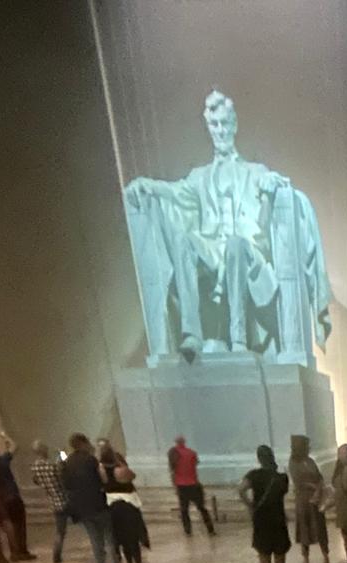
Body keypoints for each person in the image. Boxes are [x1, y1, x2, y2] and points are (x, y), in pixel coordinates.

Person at [123, 89, 331, 364]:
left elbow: (272, 181)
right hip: (212, 251)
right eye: (214, 125)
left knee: (234, 243)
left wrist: (271, 185)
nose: (220, 130)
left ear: (234, 125)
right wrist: (149, 186)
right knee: (185, 240)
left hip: (246, 254)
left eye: (224, 123)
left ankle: (239, 339)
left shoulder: (255, 172)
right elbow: (175, 191)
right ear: (208, 128)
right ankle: (192, 334)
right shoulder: (199, 177)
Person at [240, 444, 291, 563]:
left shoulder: (253, 475)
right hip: (278, 523)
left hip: (261, 524)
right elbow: (282, 494)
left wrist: (250, 505)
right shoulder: (281, 478)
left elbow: (241, 489)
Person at [59, 433, 113, 563]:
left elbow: (66, 484)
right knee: (109, 535)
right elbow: (103, 479)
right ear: (83, 443)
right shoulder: (91, 459)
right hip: (97, 502)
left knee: (94, 538)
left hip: (82, 507)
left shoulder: (68, 462)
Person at [99, 442, 150, 563]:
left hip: (112, 506)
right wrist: (121, 463)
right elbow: (132, 476)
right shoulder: (120, 470)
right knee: (133, 536)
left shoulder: (102, 471)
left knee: (122, 537)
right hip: (127, 505)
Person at [0, 434, 33, 560]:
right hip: (12, 495)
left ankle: (14, 552)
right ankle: (22, 551)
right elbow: (15, 446)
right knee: (19, 525)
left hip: (0, 498)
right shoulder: (2, 460)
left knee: (8, 526)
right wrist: (5, 436)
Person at [288, 434, 329, 563]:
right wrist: (313, 486)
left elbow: (319, 477)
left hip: (316, 499)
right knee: (304, 529)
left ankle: (326, 556)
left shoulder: (311, 461)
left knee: (320, 528)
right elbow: (298, 481)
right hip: (303, 500)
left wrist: (318, 490)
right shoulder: (293, 463)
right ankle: (305, 559)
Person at [168, 434, 215, 538]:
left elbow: (172, 470)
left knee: (184, 509)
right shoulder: (192, 452)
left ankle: (188, 531)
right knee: (202, 508)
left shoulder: (173, 452)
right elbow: (195, 463)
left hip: (182, 485)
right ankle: (210, 529)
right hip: (194, 484)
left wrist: (174, 486)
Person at [30, 441, 70, 563]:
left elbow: (36, 481)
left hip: (52, 501)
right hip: (64, 499)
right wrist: (62, 453)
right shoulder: (51, 465)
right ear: (43, 450)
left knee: (60, 530)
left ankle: (56, 554)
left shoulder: (35, 467)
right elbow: (64, 466)